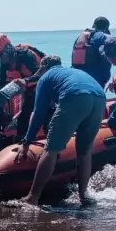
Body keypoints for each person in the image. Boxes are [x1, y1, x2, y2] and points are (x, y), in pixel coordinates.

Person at [15, 55, 106, 205]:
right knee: (84, 151)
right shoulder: (69, 72)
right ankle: (84, 196)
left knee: (50, 150)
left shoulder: (45, 78)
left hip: (75, 96)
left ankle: (32, 197)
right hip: (99, 98)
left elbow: (38, 113)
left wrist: (27, 141)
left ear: (43, 67)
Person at [0, 33, 45, 138]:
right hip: (25, 84)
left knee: (26, 114)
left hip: (39, 85)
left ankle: (26, 137)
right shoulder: (5, 62)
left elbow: (41, 75)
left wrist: (25, 81)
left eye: (0, 55)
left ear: (8, 49)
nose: (0, 59)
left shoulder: (26, 56)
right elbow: (2, 81)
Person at [71, 16, 112, 85]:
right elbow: (107, 58)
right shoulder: (102, 37)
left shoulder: (80, 38)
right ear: (106, 28)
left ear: (94, 25)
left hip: (77, 77)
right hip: (95, 79)